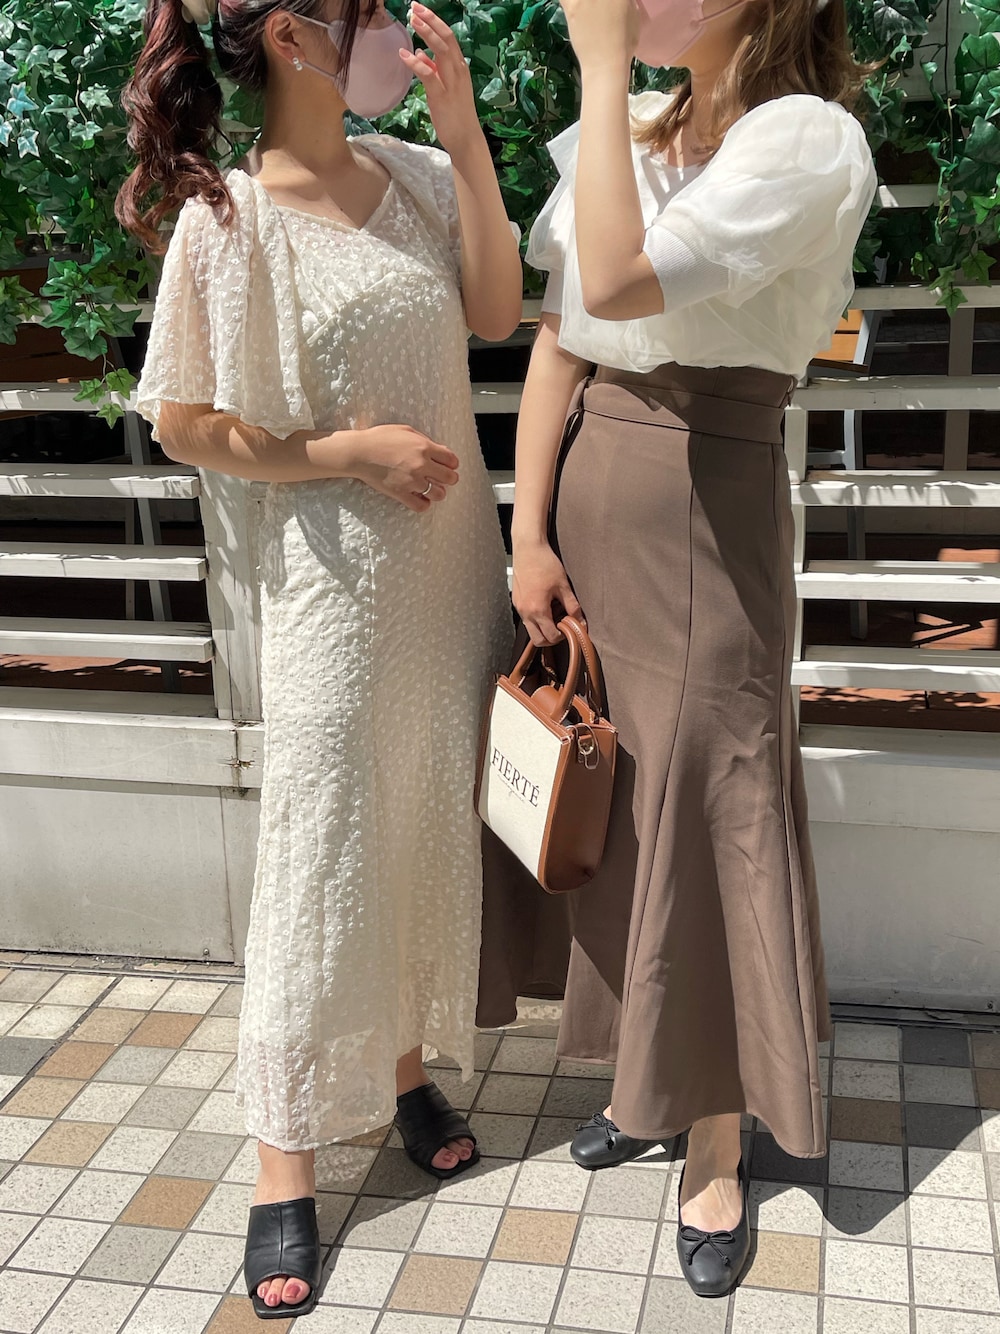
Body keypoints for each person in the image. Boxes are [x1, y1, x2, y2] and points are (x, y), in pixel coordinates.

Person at [119, 0, 519, 1318]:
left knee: (414, 819)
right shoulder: (225, 219)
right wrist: (346, 454)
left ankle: (403, 1070)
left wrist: (466, 138)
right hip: (335, 588)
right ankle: (281, 1157)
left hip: (449, 572)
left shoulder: (416, 174)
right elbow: (184, 422)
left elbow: (499, 312)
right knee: (319, 849)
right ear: (295, 37)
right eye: (371, 14)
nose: (399, 34)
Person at [477, 0, 877, 1298]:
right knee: (626, 797)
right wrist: (527, 530)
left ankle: (715, 1137)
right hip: (594, 487)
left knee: (712, 807)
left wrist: (599, 69)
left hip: (710, 499)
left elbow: (625, 280)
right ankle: (647, 1083)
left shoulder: (803, 139)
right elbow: (564, 334)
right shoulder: (638, 121)